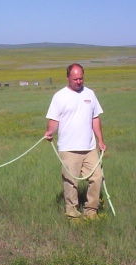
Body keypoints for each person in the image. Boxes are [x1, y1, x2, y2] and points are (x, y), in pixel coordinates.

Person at [44, 63, 106, 220]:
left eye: (81, 78)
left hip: (89, 147)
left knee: (97, 177)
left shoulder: (90, 94)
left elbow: (95, 118)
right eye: (75, 79)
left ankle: (91, 211)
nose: (79, 81)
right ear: (68, 78)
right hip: (69, 149)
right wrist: (50, 132)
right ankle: (72, 213)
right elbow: (53, 119)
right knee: (71, 182)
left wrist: (101, 140)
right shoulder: (59, 96)